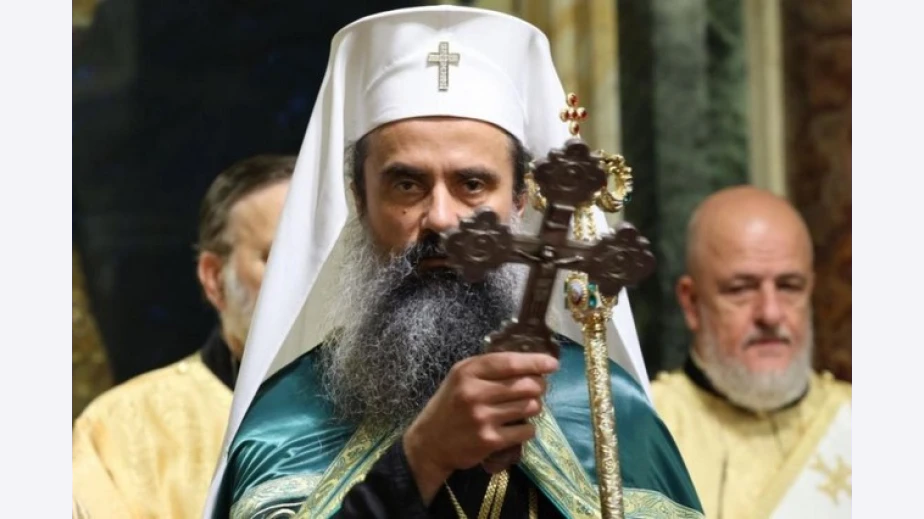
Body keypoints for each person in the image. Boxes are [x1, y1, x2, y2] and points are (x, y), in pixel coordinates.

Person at [204, 6, 703, 519]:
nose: (441, 219)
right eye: (407, 184)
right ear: (360, 201)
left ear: (520, 202)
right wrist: (423, 457)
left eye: (472, 184)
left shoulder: (604, 408)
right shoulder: (288, 423)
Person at [71, 155, 294, 518]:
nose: (312, 276)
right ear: (214, 279)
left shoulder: (383, 409)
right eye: (281, 255)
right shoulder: (118, 432)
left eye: (327, 253)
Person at [652, 186, 852, 519]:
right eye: (741, 289)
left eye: (789, 286)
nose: (771, 314)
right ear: (691, 302)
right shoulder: (641, 432)